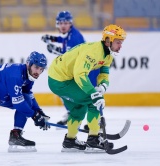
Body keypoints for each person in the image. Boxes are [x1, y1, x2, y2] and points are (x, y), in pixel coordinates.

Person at [48, 24, 127, 152]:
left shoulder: (108, 54)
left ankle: (70, 141)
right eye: (118, 42)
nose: (120, 46)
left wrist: (103, 86)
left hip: (61, 78)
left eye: (121, 42)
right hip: (60, 80)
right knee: (93, 101)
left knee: (79, 108)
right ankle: (93, 140)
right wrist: (93, 94)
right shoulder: (93, 52)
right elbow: (80, 75)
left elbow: (104, 73)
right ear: (108, 40)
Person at [41, 10, 100, 126]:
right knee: (70, 94)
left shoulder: (75, 38)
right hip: (82, 69)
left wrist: (57, 50)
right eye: (61, 23)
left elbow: (72, 55)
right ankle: (73, 113)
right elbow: (64, 41)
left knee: (90, 96)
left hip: (88, 71)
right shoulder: (70, 34)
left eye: (66, 23)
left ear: (70, 23)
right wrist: (52, 39)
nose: (63, 25)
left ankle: (96, 122)